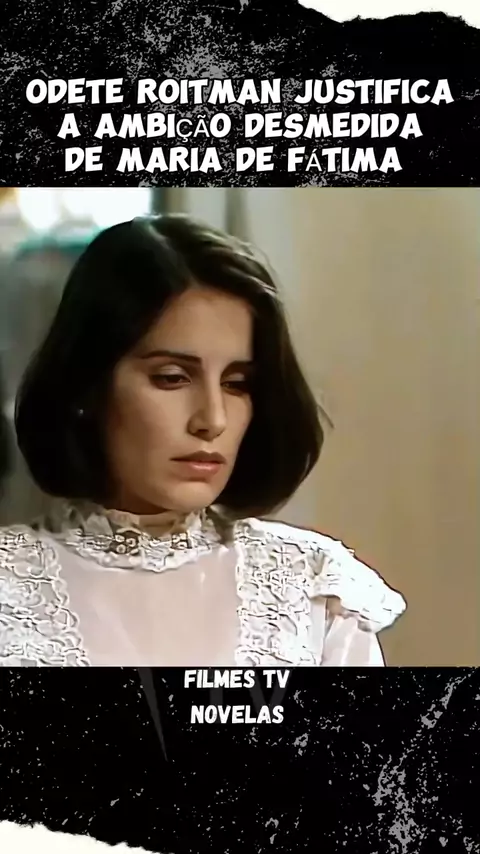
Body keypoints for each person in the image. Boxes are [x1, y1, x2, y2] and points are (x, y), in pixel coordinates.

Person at [0, 214, 406, 667]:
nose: (213, 419)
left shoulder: (317, 591)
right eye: (172, 378)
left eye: (236, 384)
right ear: (86, 386)